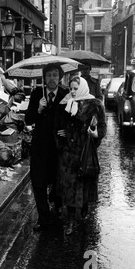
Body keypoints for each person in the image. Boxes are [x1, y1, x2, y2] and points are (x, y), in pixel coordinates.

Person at [55, 76, 107, 236]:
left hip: (85, 152)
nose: (72, 91)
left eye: (75, 88)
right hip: (69, 153)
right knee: (69, 188)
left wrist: (96, 133)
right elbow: (60, 126)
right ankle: (70, 219)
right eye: (71, 88)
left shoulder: (95, 105)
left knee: (84, 184)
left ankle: (84, 207)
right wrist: (62, 138)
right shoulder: (66, 103)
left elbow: (102, 126)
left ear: (82, 88)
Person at [25, 64, 69, 232]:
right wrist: (38, 109)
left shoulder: (65, 95)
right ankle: (43, 218)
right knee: (38, 182)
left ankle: (57, 205)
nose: (52, 78)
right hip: (40, 147)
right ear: (44, 78)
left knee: (58, 181)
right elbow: (28, 120)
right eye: (49, 75)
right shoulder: (37, 94)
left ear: (60, 78)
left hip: (58, 148)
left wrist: (68, 130)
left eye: (55, 75)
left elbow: (72, 118)